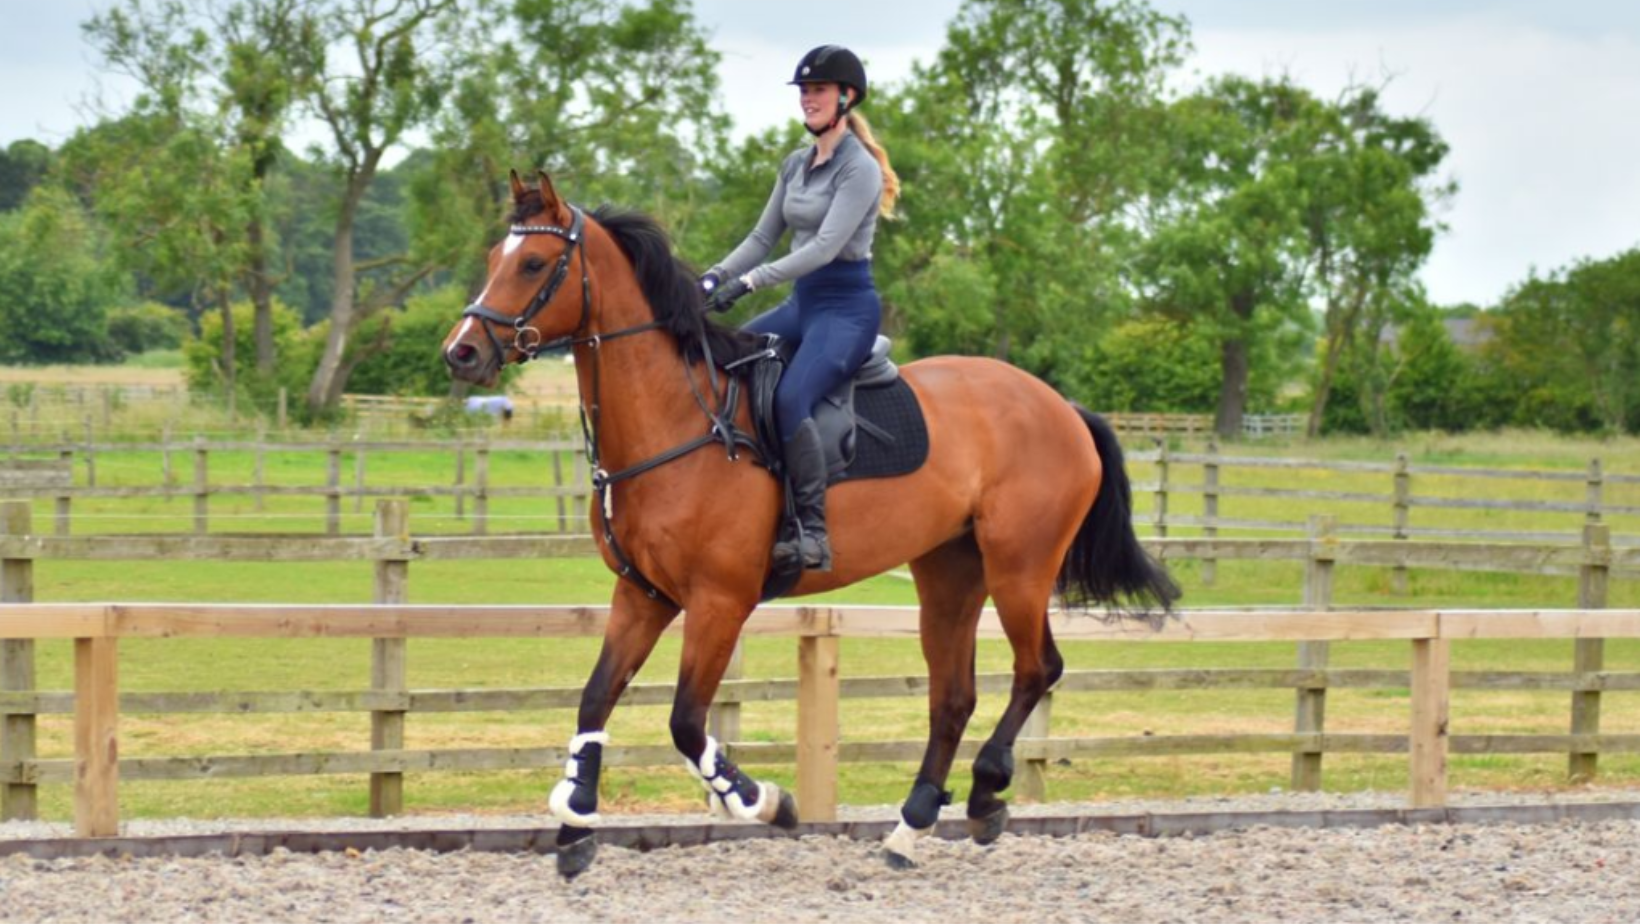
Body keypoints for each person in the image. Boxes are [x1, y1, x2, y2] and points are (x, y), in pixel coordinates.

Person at [700, 44, 901, 573]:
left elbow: (822, 250)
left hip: (846, 310)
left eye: (818, 90)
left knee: (790, 397)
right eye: (804, 91)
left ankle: (812, 530)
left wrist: (747, 283)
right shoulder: (795, 164)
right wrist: (713, 277)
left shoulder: (859, 170)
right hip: (803, 304)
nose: (808, 99)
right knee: (731, 365)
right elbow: (763, 235)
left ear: (846, 96)